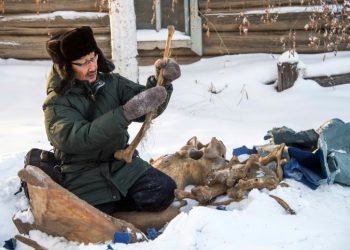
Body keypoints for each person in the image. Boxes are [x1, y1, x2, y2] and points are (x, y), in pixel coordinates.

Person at [43, 26, 181, 215]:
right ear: (65, 67)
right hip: (82, 174)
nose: (91, 67)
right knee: (94, 214)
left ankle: (117, 210)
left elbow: (147, 108)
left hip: (121, 165)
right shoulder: (56, 103)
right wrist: (124, 113)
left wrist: (161, 81)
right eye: (82, 63)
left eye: (93, 58)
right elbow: (79, 139)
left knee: (164, 190)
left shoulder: (111, 82)